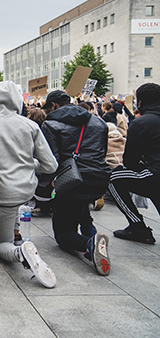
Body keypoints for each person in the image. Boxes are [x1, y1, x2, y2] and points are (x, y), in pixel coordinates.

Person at [0, 81, 58, 288]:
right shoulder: (30, 125)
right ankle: (20, 240)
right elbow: (50, 164)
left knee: (1, 245)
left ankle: (21, 253)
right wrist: (27, 164)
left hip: (1, 193)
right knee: (16, 226)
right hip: (27, 192)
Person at [41, 90, 111, 276]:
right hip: (99, 179)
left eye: (48, 108)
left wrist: (44, 187)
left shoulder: (51, 124)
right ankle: (94, 238)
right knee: (81, 205)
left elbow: (52, 161)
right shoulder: (99, 121)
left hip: (72, 182)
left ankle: (89, 243)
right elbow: (101, 153)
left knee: (63, 234)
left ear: (54, 105)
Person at [109, 83, 160, 244]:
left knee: (114, 177)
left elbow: (130, 161)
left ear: (140, 102)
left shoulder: (141, 123)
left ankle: (137, 226)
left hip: (155, 174)